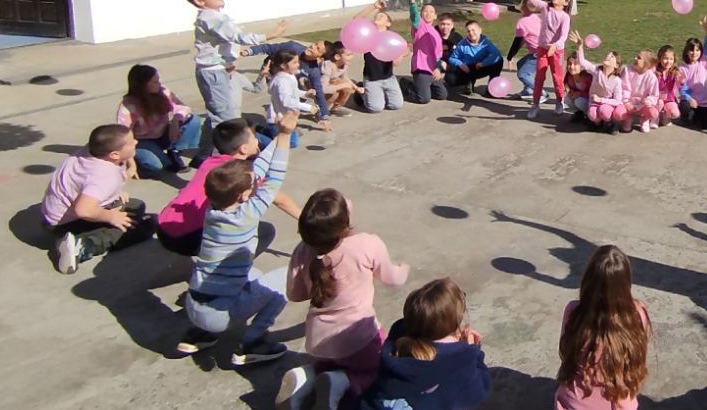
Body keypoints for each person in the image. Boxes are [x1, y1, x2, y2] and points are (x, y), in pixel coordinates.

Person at [176, 110, 299, 366]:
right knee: (284, 280)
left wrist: (280, 135)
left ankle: (202, 334)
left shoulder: (213, 210)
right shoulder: (245, 216)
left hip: (194, 306)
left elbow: (259, 169)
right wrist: (285, 136)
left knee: (254, 274)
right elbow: (274, 176)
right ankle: (253, 342)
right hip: (218, 315)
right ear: (244, 195)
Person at [278, 189, 411, 410]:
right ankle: (344, 383)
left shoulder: (302, 251)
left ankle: (306, 378)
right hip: (359, 339)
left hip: (318, 341)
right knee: (382, 369)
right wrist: (404, 269)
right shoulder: (367, 244)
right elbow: (393, 278)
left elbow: (295, 294)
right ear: (343, 225)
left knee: (330, 364)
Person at [155, 118, 301, 257]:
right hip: (190, 238)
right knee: (266, 231)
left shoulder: (211, 162)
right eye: (254, 137)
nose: (257, 140)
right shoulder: (242, 176)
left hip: (163, 228)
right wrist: (306, 220)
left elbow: (262, 162)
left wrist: (282, 134)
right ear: (244, 149)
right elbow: (279, 199)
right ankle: (229, 265)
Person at [41, 124, 155, 275]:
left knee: (135, 206)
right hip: (66, 224)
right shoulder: (105, 176)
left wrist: (116, 190)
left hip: (51, 217)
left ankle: (75, 239)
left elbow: (85, 182)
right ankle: (83, 245)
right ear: (114, 154)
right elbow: (84, 210)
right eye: (131, 141)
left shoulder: (90, 151)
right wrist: (111, 216)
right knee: (144, 226)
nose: (136, 142)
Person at [361, 278, 491, 410]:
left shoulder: (397, 342)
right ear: (454, 320)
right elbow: (479, 391)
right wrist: (474, 352)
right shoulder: (460, 359)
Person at [183, 0, 288, 130]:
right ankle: (222, 145)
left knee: (222, 115)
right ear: (199, 1)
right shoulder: (211, 18)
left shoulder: (213, 17)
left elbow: (216, 46)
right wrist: (270, 35)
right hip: (213, 74)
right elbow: (239, 37)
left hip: (217, 70)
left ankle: (213, 145)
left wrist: (226, 62)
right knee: (226, 119)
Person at [556, 246, 650, 410]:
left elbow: (565, 353)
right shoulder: (638, 314)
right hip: (620, 403)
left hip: (574, 404)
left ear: (588, 280)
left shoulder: (574, 311)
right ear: (626, 283)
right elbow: (638, 359)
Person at [115, 64, 202, 173]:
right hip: (143, 141)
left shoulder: (163, 92)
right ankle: (142, 161)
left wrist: (176, 121)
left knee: (193, 120)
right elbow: (123, 135)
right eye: (155, 82)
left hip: (164, 133)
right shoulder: (129, 106)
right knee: (158, 166)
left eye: (158, 80)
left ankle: (175, 151)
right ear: (143, 85)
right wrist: (130, 161)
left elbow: (182, 107)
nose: (159, 84)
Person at [526, 0, 573, 118]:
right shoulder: (545, 7)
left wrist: (555, 45)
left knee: (557, 78)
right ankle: (535, 104)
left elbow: (564, 36)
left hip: (557, 51)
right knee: (539, 77)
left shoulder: (565, 17)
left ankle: (560, 101)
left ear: (566, 3)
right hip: (542, 49)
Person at [573, 31, 628, 134]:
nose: (608, 56)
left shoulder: (616, 80)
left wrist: (601, 100)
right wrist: (580, 46)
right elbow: (582, 62)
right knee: (592, 115)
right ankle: (597, 123)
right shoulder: (596, 71)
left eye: (612, 56)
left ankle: (610, 123)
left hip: (607, 104)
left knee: (604, 111)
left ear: (616, 65)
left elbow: (618, 101)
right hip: (594, 102)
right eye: (607, 55)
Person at [353, 0, 403, 113]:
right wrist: (373, 6)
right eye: (376, 16)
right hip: (372, 79)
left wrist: (399, 56)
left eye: (382, 16)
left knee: (396, 105)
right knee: (376, 108)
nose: (378, 16)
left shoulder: (392, 38)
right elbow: (356, 20)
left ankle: (378, 94)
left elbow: (400, 56)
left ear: (388, 23)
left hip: (389, 77)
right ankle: (361, 92)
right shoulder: (368, 35)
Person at [406, 0, 451, 104]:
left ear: (435, 16)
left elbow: (438, 55)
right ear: (421, 15)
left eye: (431, 12)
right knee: (424, 99)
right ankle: (406, 85)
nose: (428, 13)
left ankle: (423, 87)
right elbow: (414, 14)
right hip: (421, 68)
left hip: (432, 69)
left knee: (442, 95)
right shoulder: (419, 25)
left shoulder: (436, 34)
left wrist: (438, 69)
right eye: (425, 11)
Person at [268, 48, 318, 148]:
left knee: (291, 138)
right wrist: (308, 107)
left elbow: (293, 92)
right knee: (290, 143)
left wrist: (305, 94)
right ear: (283, 65)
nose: (298, 65)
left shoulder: (288, 75)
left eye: (297, 62)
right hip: (279, 120)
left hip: (288, 117)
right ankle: (260, 135)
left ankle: (270, 133)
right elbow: (286, 101)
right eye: (294, 63)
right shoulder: (282, 81)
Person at [444, 20, 505, 96]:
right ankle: (468, 82)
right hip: (468, 68)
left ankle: (491, 89)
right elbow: (452, 58)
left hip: (481, 66)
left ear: (480, 30)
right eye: (468, 31)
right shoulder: (462, 44)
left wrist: (483, 63)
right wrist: (460, 64)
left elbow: (497, 54)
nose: (471, 33)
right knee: (450, 79)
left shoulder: (486, 43)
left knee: (498, 61)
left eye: (473, 30)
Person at [678, 16, 707, 129]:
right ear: (686, 52)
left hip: (702, 102)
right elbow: (682, 89)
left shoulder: (704, 63)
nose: (694, 53)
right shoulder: (682, 69)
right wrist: (689, 99)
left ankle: (698, 115)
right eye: (691, 50)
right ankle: (686, 116)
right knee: (686, 109)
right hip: (690, 100)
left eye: (697, 50)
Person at [506, 0, 542, 101]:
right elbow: (523, 40)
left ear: (523, 8)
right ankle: (528, 90)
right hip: (541, 51)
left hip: (538, 54)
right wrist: (512, 56)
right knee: (521, 64)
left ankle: (540, 92)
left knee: (522, 74)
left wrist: (510, 57)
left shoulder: (522, 22)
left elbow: (517, 42)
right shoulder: (536, 18)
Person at [622, 49, 661, 133]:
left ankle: (645, 119)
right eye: (636, 56)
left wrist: (648, 100)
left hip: (642, 104)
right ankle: (628, 118)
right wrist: (626, 102)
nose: (635, 58)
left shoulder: (651, 76)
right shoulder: (627, 70)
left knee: (653, 113)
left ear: (647, 64)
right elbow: (624, 87)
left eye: (639, 58)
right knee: (619, 113)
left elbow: (654, 94)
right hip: (628, 103)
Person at [323, 42, 364, 115]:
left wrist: (357, 88)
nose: (351, 57)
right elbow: (323, 88)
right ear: (337, 57)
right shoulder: (327, 66)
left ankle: (336, 108)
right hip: (317, 86)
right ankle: (322, 109)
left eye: (352, 54)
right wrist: (342, 85)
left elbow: (344, 77)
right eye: (348, 55)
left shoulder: (344, 64)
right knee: (335, 92)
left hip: (330, 82)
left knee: (347, 88)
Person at [654, 45, 684, 128]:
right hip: (657, 99)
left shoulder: (675, 72)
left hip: (669, 99)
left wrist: (681, 80)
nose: (668, 61)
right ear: (659, 58)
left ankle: (666, 116)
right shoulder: (655, 71)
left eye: (671, 59)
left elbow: (682, 84)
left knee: (675, 113)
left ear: (674, 60)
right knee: (659, 103)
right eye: (665, 58)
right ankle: (655, 118)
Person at [565, 60, 593, 124]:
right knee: (567, 99)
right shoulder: (570, 76)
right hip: (580, 98)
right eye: (569, 64)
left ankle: (591, 116)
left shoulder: (588, 77)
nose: (571, 66)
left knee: (579, 101)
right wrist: (570, 92)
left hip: (590, 100)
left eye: (575, 64)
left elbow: (594, 92)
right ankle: (579, 113)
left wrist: (580, 94)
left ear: (582, 67)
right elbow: (570, 87)